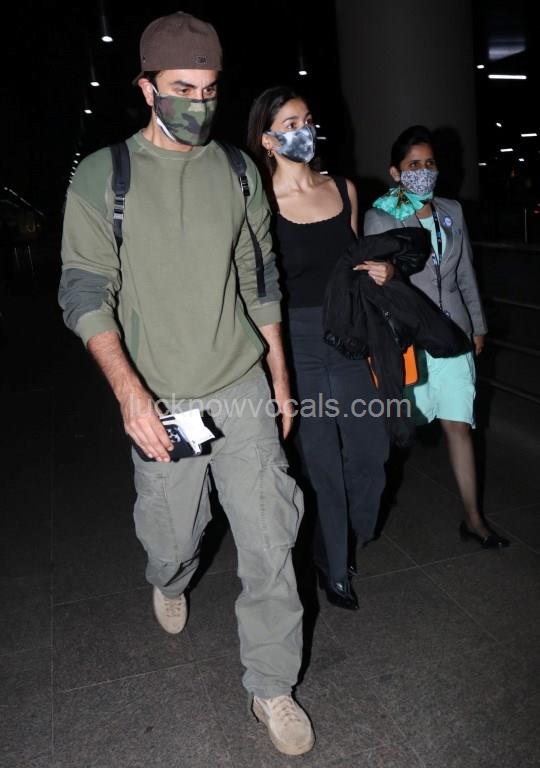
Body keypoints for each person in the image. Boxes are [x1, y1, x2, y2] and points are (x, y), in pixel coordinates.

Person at [58, 12, 315, 756]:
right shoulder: (104, 174)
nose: (197, 104)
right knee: (174, 537)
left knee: (271, 535)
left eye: (208, 89)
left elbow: (259, 276)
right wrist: (129, 392)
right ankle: (167, 579)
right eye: (180, 89)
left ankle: (271, 685)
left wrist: (279, 375)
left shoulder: (237, 171)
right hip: (163, 393)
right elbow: (83, 288)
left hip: (239, 383)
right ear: (146, 88)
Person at [247, 86, 391, 610]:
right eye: (289, 124)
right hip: (296, 341)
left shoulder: (343, 189)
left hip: (347, 336)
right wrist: (274, 367)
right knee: (322, 461)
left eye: (306, 119)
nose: (303, 130)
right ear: (267, 140)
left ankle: (349, 534)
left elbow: (352, 266)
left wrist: (380, 272)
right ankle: (335, 564)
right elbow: (256, 285)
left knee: (371, 451)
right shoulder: (259, 203)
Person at [364, 125, 509, 549]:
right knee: (396, 431)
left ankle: (474, 519)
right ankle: (368, 508)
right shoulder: (382, 216)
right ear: (396, 172)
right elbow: (374, 284)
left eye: (429, 163)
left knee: (459, 424)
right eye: (413, 164)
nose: (423, 171)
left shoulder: (451, 211)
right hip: (410, 341)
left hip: (454, 336)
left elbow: (465, 274)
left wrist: (477, 326)